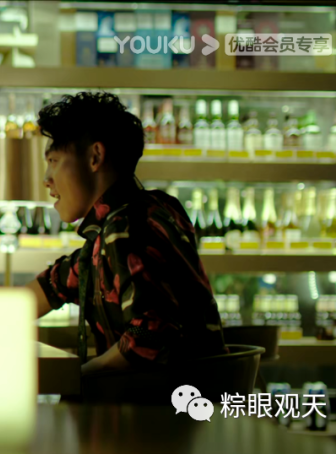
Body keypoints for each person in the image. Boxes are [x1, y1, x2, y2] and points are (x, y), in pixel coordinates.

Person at [27, 92, 227, 376]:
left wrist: (78, 380)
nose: (47, 179)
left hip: (169, 403)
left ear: (95, 157)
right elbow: (56, 282)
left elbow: (151, 336)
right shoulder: (143, 215)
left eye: (54, 160)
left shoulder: (130, 225)